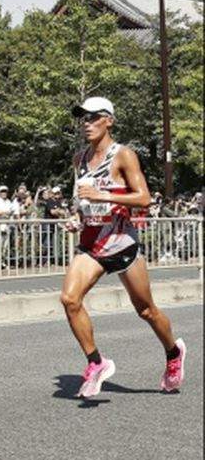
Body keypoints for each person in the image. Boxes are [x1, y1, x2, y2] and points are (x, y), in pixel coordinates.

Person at [62, 96, 185, 398]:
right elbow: (83, 200)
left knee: (146, 310)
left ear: (109, 121)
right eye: (83, 118)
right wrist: (76, 218)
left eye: (93, 117)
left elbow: (144, 198)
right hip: (91, 243)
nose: (86, 123)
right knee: (69, 299)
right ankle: (96, 362)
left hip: (121, 243)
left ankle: (173, 353)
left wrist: (104, 197)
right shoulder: (79, 159)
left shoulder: (123, 155)